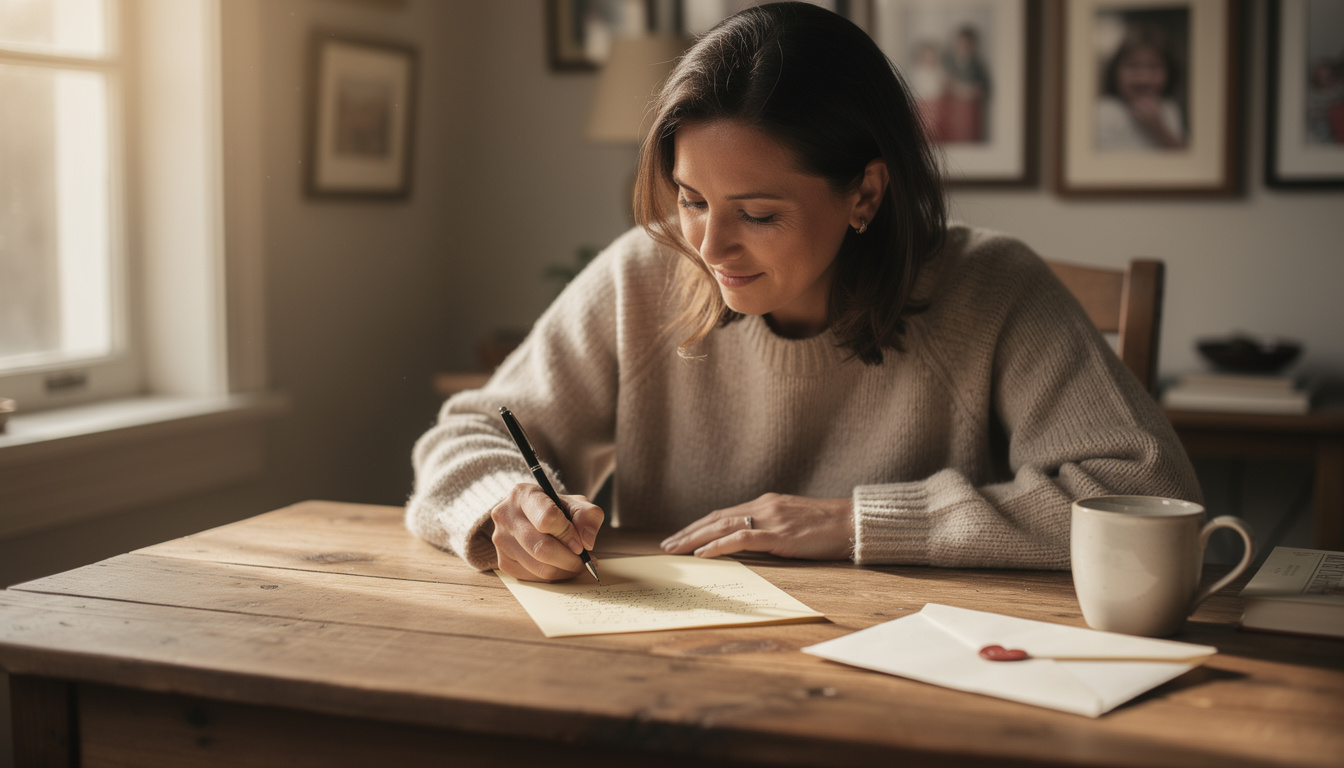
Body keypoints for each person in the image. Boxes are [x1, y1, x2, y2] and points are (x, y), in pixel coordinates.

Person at [407, 2, 1200, 583]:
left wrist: (858, 521)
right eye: (690, 200)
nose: (709, 248)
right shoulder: (641, 275)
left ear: (864, 194)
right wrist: (507, 504)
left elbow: (1144, 489)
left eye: (757, 213)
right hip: (670, 677)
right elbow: (467, 432)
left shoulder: (990, 288)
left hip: (916, 676)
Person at [1095, 22, 1186, 151]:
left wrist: (1159, 130)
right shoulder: (1102, 111)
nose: (1143, 78)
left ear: (1170, 72)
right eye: (1133, 66)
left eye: (1154, 67)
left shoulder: (1170, 110)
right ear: (1115, 71)